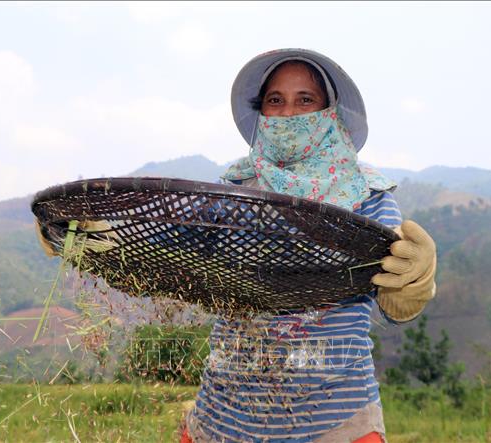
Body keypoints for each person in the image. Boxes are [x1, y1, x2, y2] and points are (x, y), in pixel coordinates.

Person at [180, 49, 437, 443]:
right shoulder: (234, 191)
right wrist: (96, 234)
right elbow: (173, 250)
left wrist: (411, 287)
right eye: (275, 100)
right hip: (224, 418)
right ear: (261, 112)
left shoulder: (366, 195)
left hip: (334, 422)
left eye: (305, 100)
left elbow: (391, 307)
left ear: (329, 112)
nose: (288, 113)